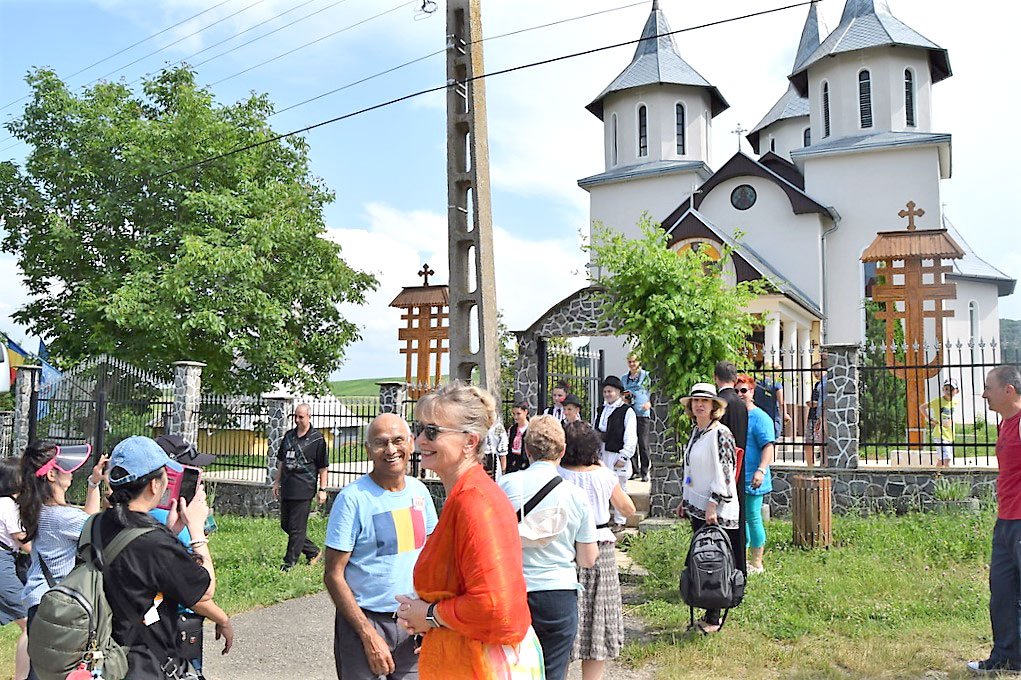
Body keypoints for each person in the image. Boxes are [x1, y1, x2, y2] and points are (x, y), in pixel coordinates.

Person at [395, 382, 542, 679]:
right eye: (419, 427)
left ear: (470, 441)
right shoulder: (466, 496)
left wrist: (429, 615)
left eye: (432, 431)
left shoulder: (474, 502)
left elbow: (496, 609)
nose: (420, 438)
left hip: (478, 666)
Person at [101, 436, 233, 676]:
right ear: (154, 485)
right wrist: (195, 530)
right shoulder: (155, 543)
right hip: (143, 661)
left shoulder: (96, 524)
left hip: (105, 651)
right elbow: (205, 590)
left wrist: (172, 531)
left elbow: (135, 570)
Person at [324, 413, 438, 680]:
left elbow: (432, 556)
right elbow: (333, 574)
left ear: (411, 443)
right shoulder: (353, 499)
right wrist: (367, 634)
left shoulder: (419, 492)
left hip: (413, 623)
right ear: (368, 450)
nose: (391, 450)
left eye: (398, 440)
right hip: (365, 622)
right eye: (381, 443)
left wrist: (430, 617)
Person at [498, 415, 597, 680]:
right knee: (553, 671)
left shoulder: (506, 486)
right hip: (558, 592)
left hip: (513, 590)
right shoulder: (575, 495)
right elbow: (588, 558)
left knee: (509, 669)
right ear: (562, 452)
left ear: (526, 450)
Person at [19, 440, 106, 680]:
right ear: (51, 475)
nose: (71, 472)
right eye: (65, 468)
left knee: (41, 671)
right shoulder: (63, 517)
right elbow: (94, 527)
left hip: (42, 600)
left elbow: (87, 519)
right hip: (58, 607)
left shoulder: (41, 510)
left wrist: (93, 484)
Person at [561, 421, 636, 680]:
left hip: (566, 546)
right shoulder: (603, 474)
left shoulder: (559, 474)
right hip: (601, 544)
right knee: (598, 614)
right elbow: (627, 509)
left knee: (567, 612)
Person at [676, 383, 740, 635]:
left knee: (715, 561)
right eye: (695, 401)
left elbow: (725, 470)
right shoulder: (697, 432)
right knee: (701, 560)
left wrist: (714, 502)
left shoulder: (720, 433)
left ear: (714, 406)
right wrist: (685, 498)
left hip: (716, 509)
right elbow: (691, 471)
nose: (699, 405)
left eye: (704, 401)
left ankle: (714, 616)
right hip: (697, 506)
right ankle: (706, 608)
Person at [969, 365, 1021, 674]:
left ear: (1008, 390)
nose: (984, 393)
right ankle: (1007, 658)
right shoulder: (1006, 424)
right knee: (1002, 593)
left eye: (989, 387)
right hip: (1006, 523)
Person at [272, 403, 329, 571]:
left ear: (309, 417)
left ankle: (289, 563)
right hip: (287, 486)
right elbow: (281, 461)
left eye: (301, 417)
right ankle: (313, 551)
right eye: (295, 416)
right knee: (286, 525)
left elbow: (323, 467)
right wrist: (276, 482)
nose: (297, 420)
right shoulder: (289, 436)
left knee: (297, 528)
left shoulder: (317, 439)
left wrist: (322, 489)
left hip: (304, 488)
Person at [736, 374, 775, 575]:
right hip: (737, 477)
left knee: (752, 516)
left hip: (754, 476)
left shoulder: (760, 418)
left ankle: (757, 562)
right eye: (736, 390)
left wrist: (761, 470)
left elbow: (768, 447)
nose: (740, 394)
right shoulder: (735, 414)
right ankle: (742, 559)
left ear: (752, 392)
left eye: (744, 390)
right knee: (740, 518)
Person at [714, 361, 748, 576]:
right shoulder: (741, 404)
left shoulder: (720, 404)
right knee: (739, 520)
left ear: (716, 377)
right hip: (740, 467)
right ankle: (740, 570)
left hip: (723, 470)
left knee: (722, 522)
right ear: (735, 378)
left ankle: (722, 570)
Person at [593, 376, 636, 528]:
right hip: (602, 453)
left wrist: (624, 455)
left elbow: (630, 436)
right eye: (605, 391)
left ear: (618, 392)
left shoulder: (627, 411)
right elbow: (595, 429)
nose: (607, 394)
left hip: (617, 452)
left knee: (619, 487)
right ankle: (603, 519)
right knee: (601, 487)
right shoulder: (601, 410)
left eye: (610, 391)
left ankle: (620, 521)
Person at [0, 458, 29, 680]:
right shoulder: (8, 505)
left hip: (7, 559)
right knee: (30, 623)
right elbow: (23, 542)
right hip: (3, 562)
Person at [621, 354, 652, 482]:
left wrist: (650, 403)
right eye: (630, 362)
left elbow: (653, 390)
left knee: (643, 443)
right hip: (630, 412)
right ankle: (634, 470)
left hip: (643, 412)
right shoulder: (624, 378)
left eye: (634, 361)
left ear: (639, 362)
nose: (632, 364)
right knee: (631, 441)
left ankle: (645, 471)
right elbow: (622, 393)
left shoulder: (646, 376)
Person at [921, 377, 960, 467]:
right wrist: (930, 419)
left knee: (942, 460)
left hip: (949, 434)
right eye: (946, 389)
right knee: (947, 459)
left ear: (957, 391)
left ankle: (937, 477)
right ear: (943, 389)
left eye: (951, 389)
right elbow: (922, 407)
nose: (948, 391)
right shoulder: (938, 401)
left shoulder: (955, 402)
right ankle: (948, 479)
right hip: (940, 434)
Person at [804, 361, 825, 465]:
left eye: (818, 370)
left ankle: (823, 463)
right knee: (808, 441)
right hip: (812, 416)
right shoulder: (817, 384)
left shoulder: (826, 384)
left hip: (821, 416)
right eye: (813, 371)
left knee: (822, 442)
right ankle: (810, 465)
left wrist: (817, 404)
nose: (816, 373)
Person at [506, 401, 531, 474]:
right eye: (514, 414)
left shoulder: (531, 428)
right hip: (513, 460)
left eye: (518, 414)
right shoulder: (512, 429)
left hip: (525, 461)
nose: (515, 417)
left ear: (525, 412)